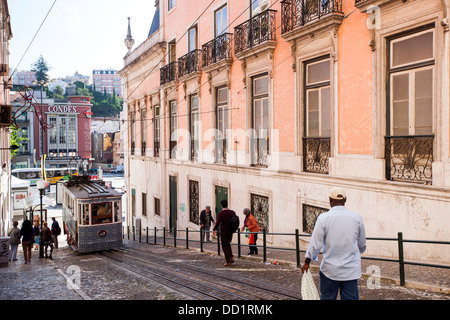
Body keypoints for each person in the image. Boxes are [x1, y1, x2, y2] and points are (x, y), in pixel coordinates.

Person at [301, 187, 366, 300]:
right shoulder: (357, 218)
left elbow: (315, 243)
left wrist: (307, 261)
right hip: (350, 270)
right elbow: (362, 244)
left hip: (330, 270)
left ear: (330, 200)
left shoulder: (323, 218)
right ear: (345, 200)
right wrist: (354, 253)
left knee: (327, 298)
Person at [212, 199, 235, 267]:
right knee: (228, 244)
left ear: (221, 205)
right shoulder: (232, 212)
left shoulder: (221, 213)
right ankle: (231, 257)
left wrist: (214, 229)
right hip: (230, 231)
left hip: (224, 231)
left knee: (224, 246)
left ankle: (228, 261)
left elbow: (218, 223)